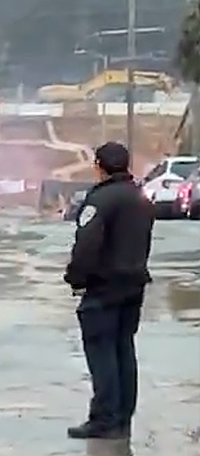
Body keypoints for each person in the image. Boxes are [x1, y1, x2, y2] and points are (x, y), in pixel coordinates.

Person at [64, 140, 153, 440]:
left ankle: (103, 419)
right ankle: (122, 417)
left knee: (101, 352)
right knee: (123, 350)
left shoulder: (100, 200)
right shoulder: (139, 196)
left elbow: (87, 243)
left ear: (99, 166)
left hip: (104, 287)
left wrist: (76, 277)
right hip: (133, 284)